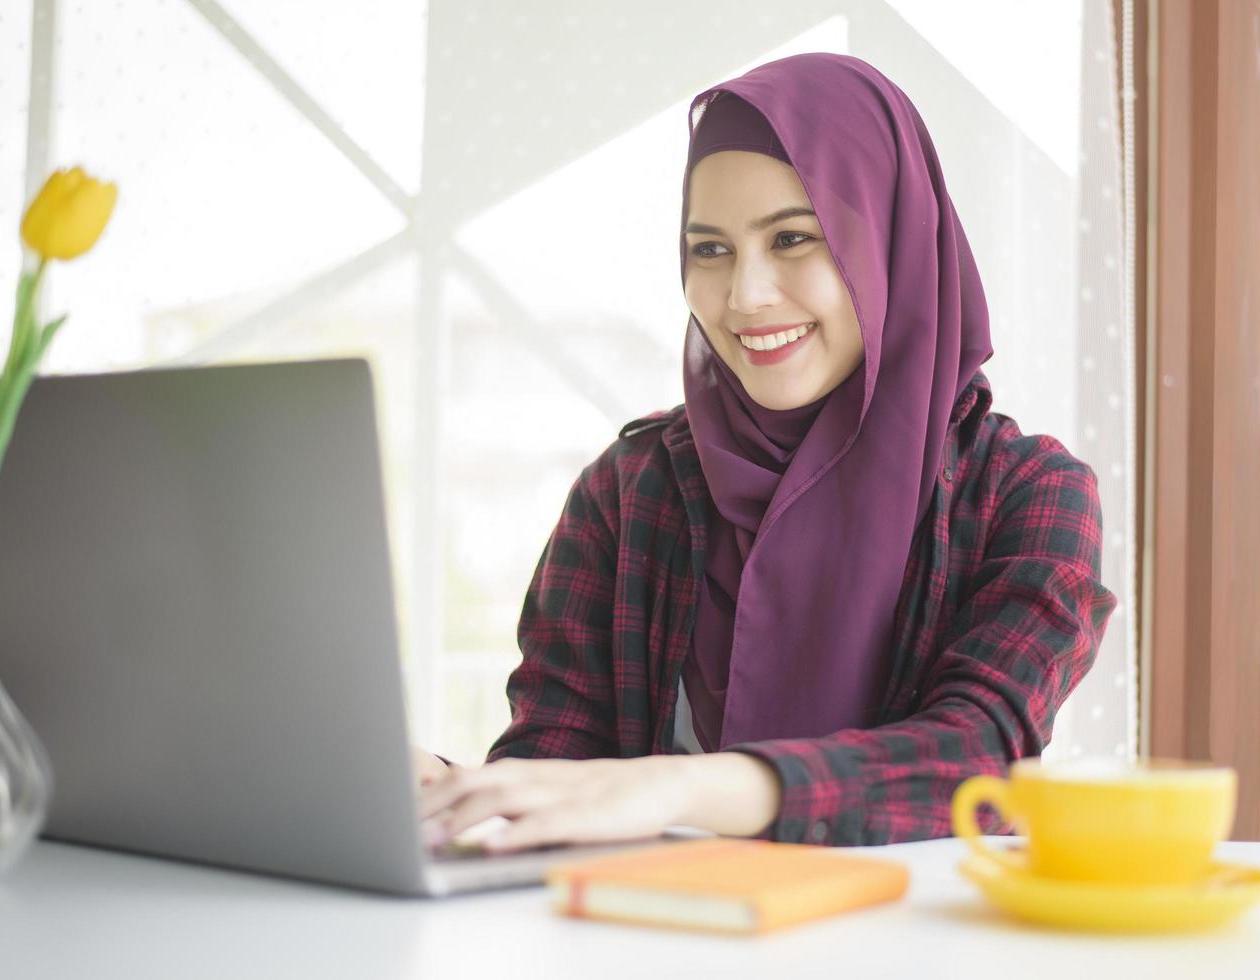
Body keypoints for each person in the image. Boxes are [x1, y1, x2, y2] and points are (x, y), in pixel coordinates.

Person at [416, 52, 1116, 854]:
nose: (744, 295)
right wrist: (444, 792)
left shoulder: (1023, 495)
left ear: (890, 240)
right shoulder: (631, 490)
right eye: (709, 250)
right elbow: (556, 768)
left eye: (792, 238)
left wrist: (682, 785)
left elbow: (979, 760)